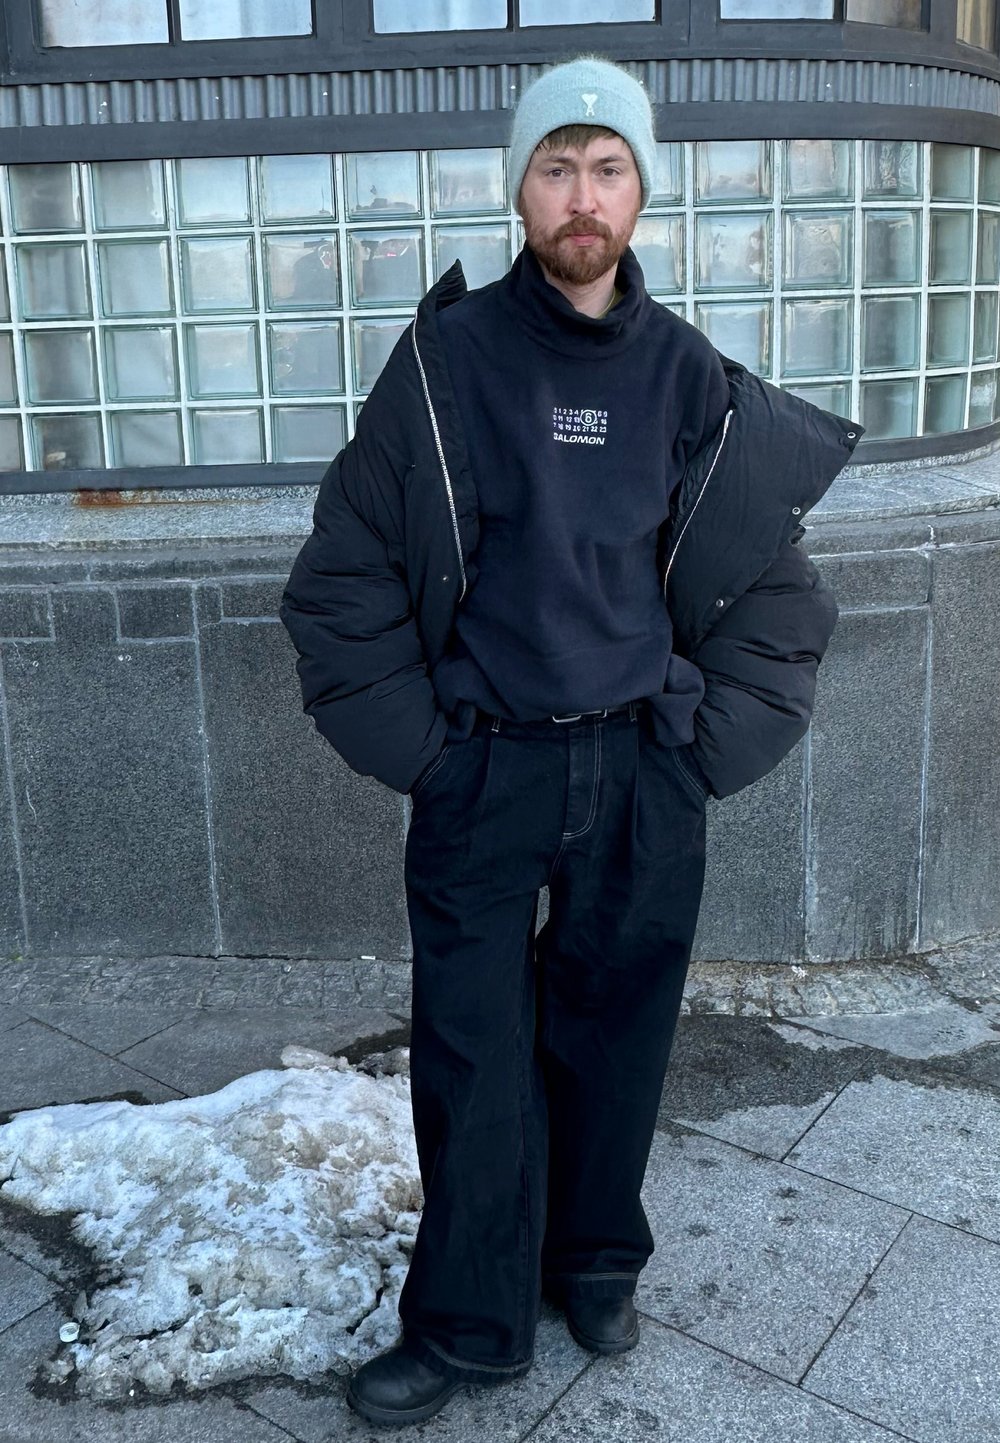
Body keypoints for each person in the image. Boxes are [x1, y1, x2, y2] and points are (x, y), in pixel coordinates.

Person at [280, 55, 862, 1427]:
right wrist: (431, 754)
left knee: (617, 1035)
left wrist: (703, 743)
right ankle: (471, 1322)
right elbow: (345, 578)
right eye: (556, 167)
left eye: (607, 169)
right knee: (474, 1052)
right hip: (483, 762)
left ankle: (595, 1258)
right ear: (520, 188)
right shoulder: (444, 364)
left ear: (641, 191)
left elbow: (775, 591)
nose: (581, 196)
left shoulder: (690, 379)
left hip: (641, 764)